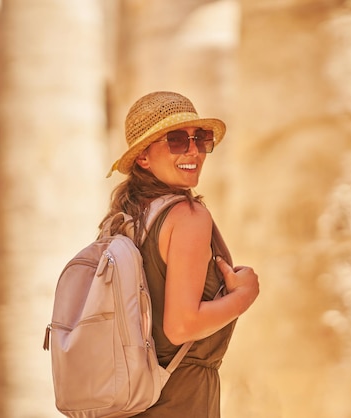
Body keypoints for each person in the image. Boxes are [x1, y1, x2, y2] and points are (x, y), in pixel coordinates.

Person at [102, 91, 260, 417]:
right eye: (176, 140)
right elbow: (181, 326)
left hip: (129, 398)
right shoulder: (187, 215)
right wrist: (245, 295)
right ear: (143, 157)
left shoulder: (123, 221)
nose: (193, 151)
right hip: (180, 396)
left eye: (200, 139)